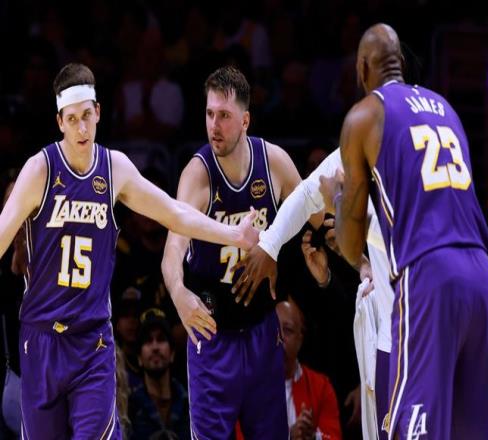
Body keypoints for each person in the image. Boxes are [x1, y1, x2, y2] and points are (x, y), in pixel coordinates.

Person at [0, 62, 258, 439]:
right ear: (59, 122)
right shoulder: (40, 169)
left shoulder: (114, 168)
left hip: (92, 342)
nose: (81, 128)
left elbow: (173, 212)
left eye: (86, 116)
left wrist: (233, 234)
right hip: (42, 339)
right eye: (72, 119)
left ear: (98, 111)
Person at [320, 23, 488, 439]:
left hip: (430, 275)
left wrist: (337, 200)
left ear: (362, 68)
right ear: (399, 61)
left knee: (411, 427)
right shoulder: (446, 108)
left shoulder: (364, 116)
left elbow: (350, 247)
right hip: (482, 276)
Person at [162, 66, 315, 439]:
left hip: (262, 331)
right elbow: (172, 251)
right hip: (213, 334)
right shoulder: (198, 175)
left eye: (224, 116)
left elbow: (317, 216)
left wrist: (359, 259)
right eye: (209, 113)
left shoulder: (273, 162)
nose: (214, 125)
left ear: (245, 120)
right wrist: (178, 293)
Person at [232, 146, 393, 439]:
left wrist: (331, 275)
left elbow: (354, 298)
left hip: (346, 358)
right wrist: (268, 245)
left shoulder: (346, 220)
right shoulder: (292, 220)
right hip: (274, 358)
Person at [277, 300, 343, 440]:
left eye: (287, 330)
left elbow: (334, 436)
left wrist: (313, 437)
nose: (280, 338)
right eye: (274, 330)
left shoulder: (321, 387)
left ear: (300, 339)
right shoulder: (250, 386)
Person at [128, 308, 189, 440]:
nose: (155, 347)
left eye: (161, 339)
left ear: (172, 353)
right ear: (139, 357)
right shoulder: (129, 408)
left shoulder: (190, 405)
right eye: (148, 341)